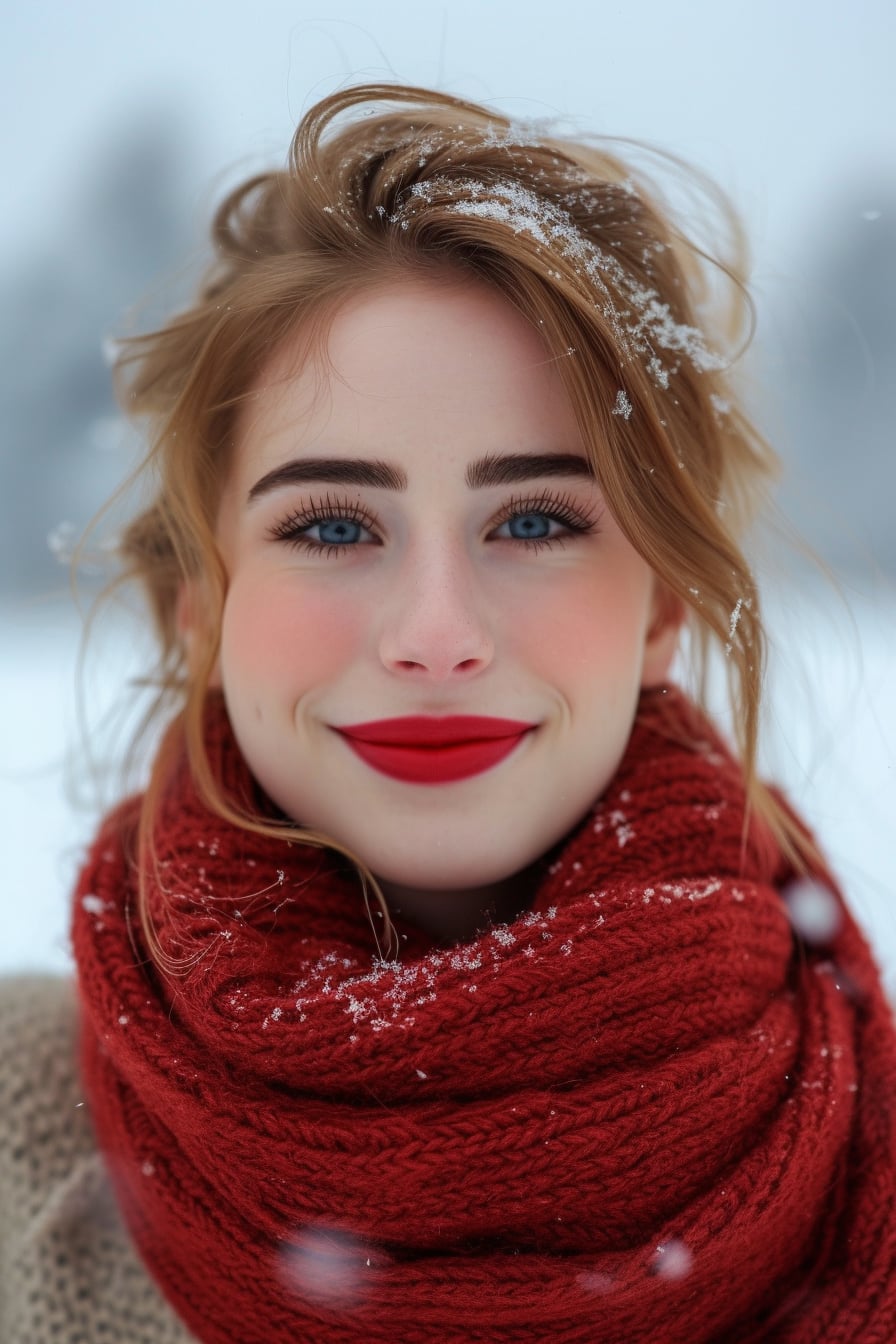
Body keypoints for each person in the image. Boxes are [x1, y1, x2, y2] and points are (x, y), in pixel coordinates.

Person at [2, 82, 894, 1344]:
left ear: (659, 605)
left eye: (533, 521)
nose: (435, 637)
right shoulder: (12, 1138)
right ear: (199, 600)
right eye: (330, 524)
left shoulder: (869, 1126)